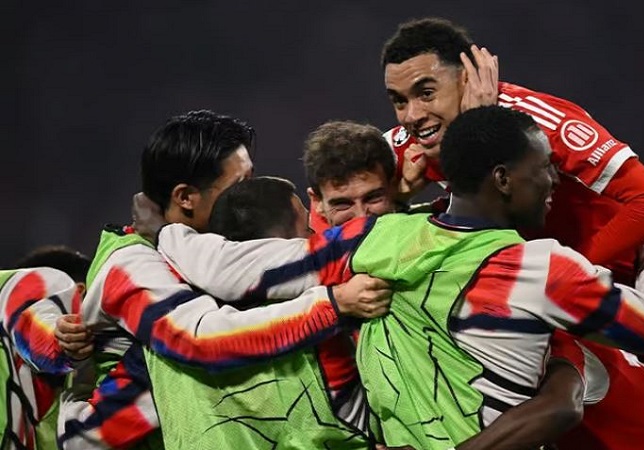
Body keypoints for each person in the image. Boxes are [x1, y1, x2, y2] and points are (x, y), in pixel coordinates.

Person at [138, 106, 644, 450]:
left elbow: (229, 271)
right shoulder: (548, 270)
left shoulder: (373, 241)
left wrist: (166, 230)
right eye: (541, 168)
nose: (553, 179)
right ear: (502, 179)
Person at [378, 18, 644, 449]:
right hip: (579, 306)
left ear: (467, 77)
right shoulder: (411, 145)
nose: (412, 115)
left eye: (426, 93)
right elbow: (333, 209)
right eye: (399, 101)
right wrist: (395, 202)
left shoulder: (533, 120)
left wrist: (568, 276)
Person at [57, 110, 390, 450]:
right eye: (240, 184)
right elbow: (199, 339)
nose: (251, 193)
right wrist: (332, 305)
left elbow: (242, 265)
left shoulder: (211, 246)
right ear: (185, 197)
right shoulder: (131, 264)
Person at [1, 246, 90, 449]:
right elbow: (37, 330)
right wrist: (61, 340)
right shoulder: (38, 282)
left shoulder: (52, 411)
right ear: (80, 291)